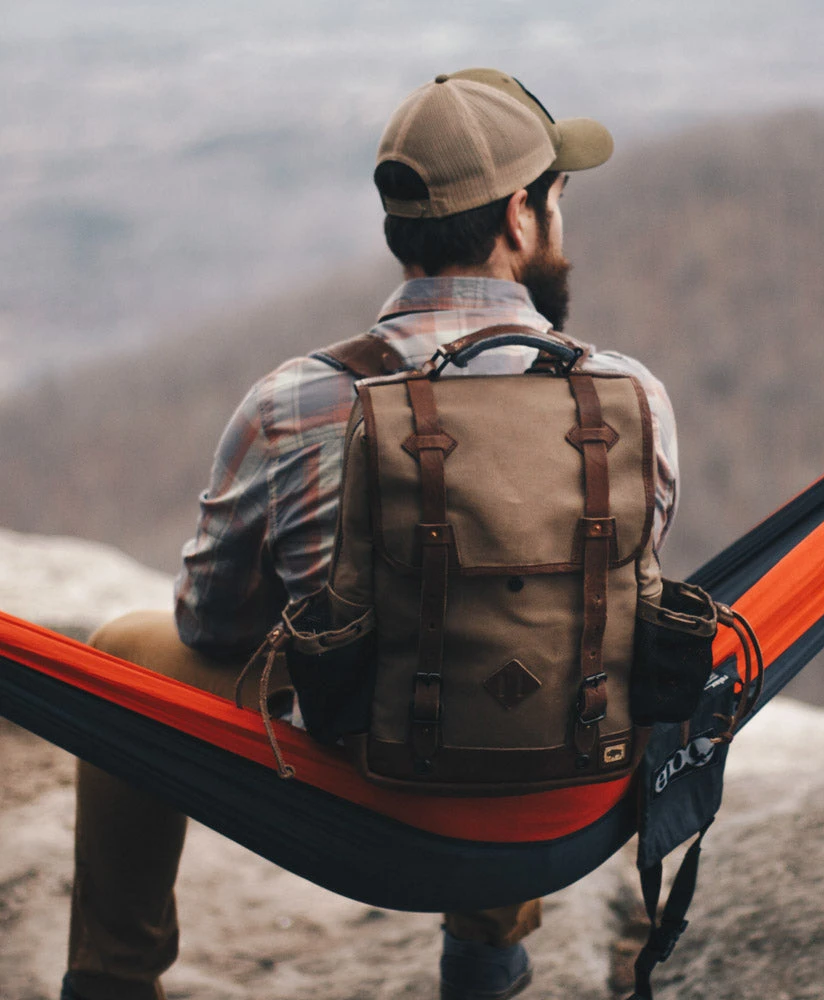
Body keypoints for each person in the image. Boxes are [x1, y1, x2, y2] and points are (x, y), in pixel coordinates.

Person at [61, 68, 678, 1000]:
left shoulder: (292, 401)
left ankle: (110, 980)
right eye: (558, 199)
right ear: (520, 217)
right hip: (548, 797)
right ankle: (485, 963)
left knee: (121, 656)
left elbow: (210, 629)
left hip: (358, 787)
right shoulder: (632, 401)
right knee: (540, 646)